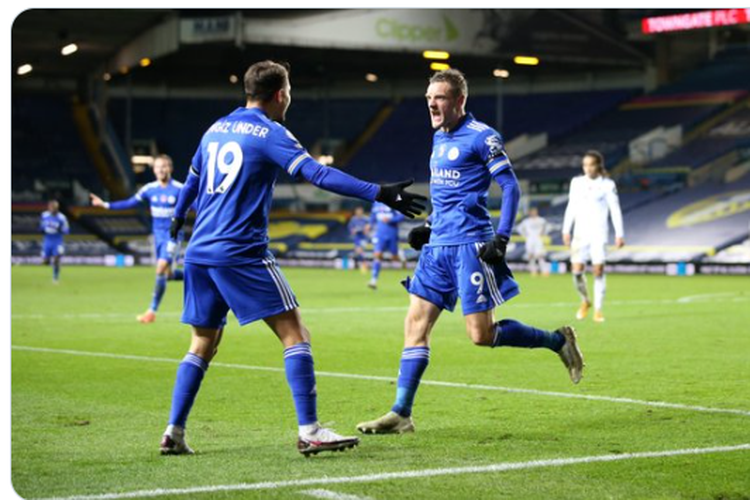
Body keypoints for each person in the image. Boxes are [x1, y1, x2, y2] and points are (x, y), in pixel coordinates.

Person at [161, 60, 426, 456]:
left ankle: (174, 432)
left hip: (200, 251)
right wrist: (379, 192)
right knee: (295, 334)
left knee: (202, 342)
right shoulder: (270, 133)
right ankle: (310, 430)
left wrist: (178, 217)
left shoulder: (215, 129)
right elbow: (317, 175)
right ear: (281, 94)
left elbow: (194, 180)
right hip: (240, 250)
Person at [356, 69, 584, 435]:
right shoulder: (438, 138)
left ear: (459, 101)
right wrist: (429, 227)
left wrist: (504, 237)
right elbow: (448, 196)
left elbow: (510, 187)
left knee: (481, 334)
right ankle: (401, 413)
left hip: (470, 246)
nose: (432, 103)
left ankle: (557, 340)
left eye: (440, 97)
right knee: (415, 324)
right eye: (429, 97)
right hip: (438, 248)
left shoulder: (482, 137)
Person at [90, 155, 184, 323]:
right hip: (158, 237)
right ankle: (194, 274)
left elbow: (197, 206)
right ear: (154, 170)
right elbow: (130, 202)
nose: (161, 170)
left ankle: (151, 311)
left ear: (170, 168)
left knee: (160, 268)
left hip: (173, 236)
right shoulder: (149, 189)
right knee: (168, 275)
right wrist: (106, 205)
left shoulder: (180, 189)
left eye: (164, 166)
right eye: (158, 167)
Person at [562, 150, 624, 323]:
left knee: (598, 270)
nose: (588, 168)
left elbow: (615, 210)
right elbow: (571, 206)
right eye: (585, 165)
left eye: (591, 164)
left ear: (598, 165)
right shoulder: (576, 182)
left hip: (599, 234)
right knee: (576, 272)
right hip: (580, 235)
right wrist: (566, 230)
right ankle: (585, 301)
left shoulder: (607, 184)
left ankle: (598, 309)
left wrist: (620, 234)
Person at [367, 201, 405, 289]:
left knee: (394, 258)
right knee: (377, 254)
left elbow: (401, 216)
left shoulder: (393, 202)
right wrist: (369, 224)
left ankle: (401, 257)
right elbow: (373, 216)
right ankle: (373, 280)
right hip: (380, 233)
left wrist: (390, 220)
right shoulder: (376, 204)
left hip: (392, 233)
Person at [40, 200, 69, 284]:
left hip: (57, 240)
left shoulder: (62, 218)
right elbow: (41, 226)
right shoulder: (44, 215)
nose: (52, 209)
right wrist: (42, 230)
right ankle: (47, 260)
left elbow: (67, 230)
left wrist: (61, 229)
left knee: (56, 258)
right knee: (46, 261)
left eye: (54, 207)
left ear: (57, 208)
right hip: (47, 240)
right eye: (51, 207)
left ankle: (55, 278)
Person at [516, 207, 549, 276]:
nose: (534, 213)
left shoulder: (541, 220)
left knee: (540, 255)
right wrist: (525, 235)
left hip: (538, 239)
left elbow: (547, 227)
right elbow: (519, 228)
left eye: (535, 211)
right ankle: (533, 271)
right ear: (530, 213)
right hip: (530, 239)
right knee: (531, 256)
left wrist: (543, 233)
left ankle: (544, 271)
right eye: (532, 212)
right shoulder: (526, 221)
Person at [347, 206, 369, 271]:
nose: (359, 212)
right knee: (358, 251)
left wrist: (367, 228)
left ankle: (362, 264)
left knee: (359, 251)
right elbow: (350, 228)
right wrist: (353, 230)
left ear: (362, 212)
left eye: (360, 211)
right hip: (357, 237)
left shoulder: (366, 219)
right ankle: (362, 264)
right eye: (358, 211)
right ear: (356, 212)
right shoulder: (353, 219)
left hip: (364, 237)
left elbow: (370, 225)